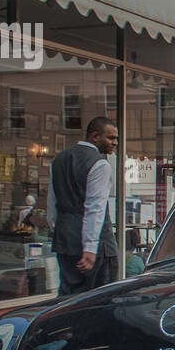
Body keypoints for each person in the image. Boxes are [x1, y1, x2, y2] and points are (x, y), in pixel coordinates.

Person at [48, 117, 119, 296]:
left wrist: (59, 230)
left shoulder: (59, 159)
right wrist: (90, 248)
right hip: (96, 246)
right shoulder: (100, 164)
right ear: (95, 137)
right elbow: (95, 208)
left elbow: (52, 203)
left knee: (67, 296)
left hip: (65, 240)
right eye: (110, 138)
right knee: (100, 300)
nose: (115, 143)